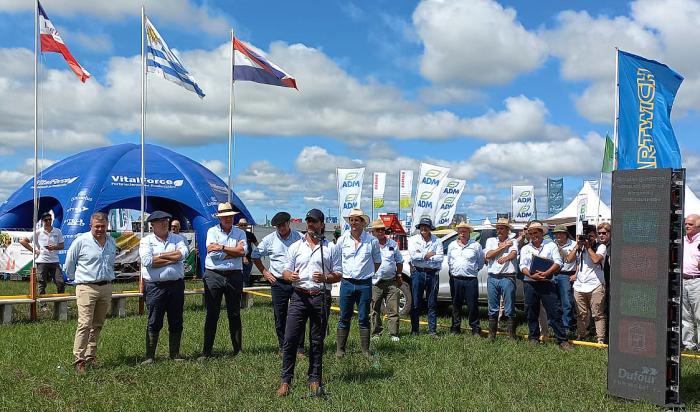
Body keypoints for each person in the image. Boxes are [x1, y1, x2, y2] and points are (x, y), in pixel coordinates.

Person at [276, 208, 341, 397]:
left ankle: (314, 379)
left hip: (320, 297)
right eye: (308, 221)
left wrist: (326, 278)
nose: (310, 224)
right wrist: (290, 276)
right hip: (299, 296)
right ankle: (286, 380)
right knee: (290, 339)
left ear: (321, 224)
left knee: (317, 341)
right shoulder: (296, 246)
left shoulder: (330, 248)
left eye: (314, 221)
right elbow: (285, 272)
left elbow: (338, 274)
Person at [64, 212, 117, 374]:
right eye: (97, 226)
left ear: (107, 226)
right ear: (90, 226)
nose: (100, 229)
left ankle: (90, 356)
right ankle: (79, 360)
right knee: (85, 324)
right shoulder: (81, 241)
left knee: (98, 324)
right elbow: (69, 264)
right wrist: (78, 280)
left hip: (106, 287)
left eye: (103, 226)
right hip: (86, 287)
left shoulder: (111, 242)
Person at [251, 211, 306, 356]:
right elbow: (255, 255)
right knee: (280, 315)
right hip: (278, 282)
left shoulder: (300, 237)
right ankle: (283, 347)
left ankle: (300, 348)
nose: (281, 228)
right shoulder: (269, 240)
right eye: (278, 226)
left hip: (296, 282)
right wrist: (264, 272)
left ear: (289, 223)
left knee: (299, 315)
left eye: (283, 225)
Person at [139, 211, 189, 365]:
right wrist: (173, 257)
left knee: (176, 320)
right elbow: (148, 261)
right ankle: (150, 356)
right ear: (152, 225)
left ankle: (174, 354)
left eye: (166, 220)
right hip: (155, 287)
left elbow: (184, 254)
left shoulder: (178, 238)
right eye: (160, 221)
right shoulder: (146, 241)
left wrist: (160, 256)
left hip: (176, 285)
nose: (164, 223)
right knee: (154, 320)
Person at [200, 202, 247, 359]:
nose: (228, 219)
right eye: (225, 217)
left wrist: (221, 248)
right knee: (212, 314)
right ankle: (206, 351)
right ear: (220, 218)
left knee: (234, 313)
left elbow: (243, 251)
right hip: (214, 275)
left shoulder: (240, 232)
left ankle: (238, 350)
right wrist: (234, 252)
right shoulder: (211, 231)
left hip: (234, 275)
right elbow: (212, 254)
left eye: (230, 217)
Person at [519, 221, 573, 351]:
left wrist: (547, 273)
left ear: (541, 233)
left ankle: (562, 340)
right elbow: (522, 266)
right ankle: (534, 338)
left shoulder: (551, 245)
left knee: (554, 312)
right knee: (531, 312)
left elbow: (558, 262)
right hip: (530, 283)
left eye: (536, 232)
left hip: (547, 283)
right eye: (531, 233)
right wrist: (532, 276)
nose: (533, 235)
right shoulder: (525, 248)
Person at [336, 208, 381, 358]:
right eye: (351, 220)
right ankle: (340, 350)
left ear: (362, 222)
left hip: (364, 284)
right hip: (347, 283)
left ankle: (365, 350)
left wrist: (366, 274)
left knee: (364, 317)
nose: (354, 223)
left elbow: (377, 262)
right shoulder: (342, 240)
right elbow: (337, 260)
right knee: (344, 316)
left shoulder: (372, 241)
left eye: (357, 220)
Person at [570, 225, 607, 344]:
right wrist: (577, 245)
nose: (588, 238)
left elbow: (596, 260)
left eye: (591, 236)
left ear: (595, 236)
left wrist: (588, 246)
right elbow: (569, 259)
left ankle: (600, 339)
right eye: (586, 236)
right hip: (579, 285)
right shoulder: (580, 247)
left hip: (595, 284)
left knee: (597, 314)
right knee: (581, 314)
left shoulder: (600, 246)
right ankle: (582, 335)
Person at [369, 218, 404, 342]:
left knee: (393, 309)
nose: (380, 231)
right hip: (375, 282)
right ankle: (376, 333)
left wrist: (399, 275)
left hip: (391, 281)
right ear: (373, 232)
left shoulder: (392, 244)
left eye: (382, 229)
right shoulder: (370, 244)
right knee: (374, 309)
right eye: (377, 229)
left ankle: (393, 333)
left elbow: (399, 261)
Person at [484, 218, 519, 340]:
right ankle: (491, 335)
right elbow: (488, 255)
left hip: (507, 277)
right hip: (493, 277)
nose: (499, 230)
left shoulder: (513, 241)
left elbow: (513, 254)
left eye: (502, 228)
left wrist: (506, 258)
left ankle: (512, 336)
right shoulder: (490, 240)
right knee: (492, 307)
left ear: (508, 230)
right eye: (498, 228)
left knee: (509, 307)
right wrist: (503, 247)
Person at [408, 216, 444, 336]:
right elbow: (413, 256)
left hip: (432, 274)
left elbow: (440, 258)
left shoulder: (437, 241)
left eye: (426, 226)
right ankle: (415, 330)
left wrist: (423, 255)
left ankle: (432, 331)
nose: (424, 228)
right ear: (419, 228)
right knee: (415, 302)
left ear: (430, 228)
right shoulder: (413, 240)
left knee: (432, 302)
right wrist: (428, 255)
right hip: (417, 272)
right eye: (422, 226)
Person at [447, 221, 484, 336]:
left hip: (470, 280)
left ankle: (475, 329)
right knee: (456, 304)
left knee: (473, 305)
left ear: (469, 233)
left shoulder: (476, 246)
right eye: (460, 231)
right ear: (458, 232)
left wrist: (472, 271)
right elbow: (449, 261)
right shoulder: (452, 245)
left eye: (465, 231)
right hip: (455, 279)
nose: (462, 233)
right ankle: (455, 328)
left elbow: (480, 263)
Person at [20, 212, 65, 300]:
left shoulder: (57, 231)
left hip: (54, 261)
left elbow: (62, 246)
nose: (48, 221)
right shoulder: (38, 232)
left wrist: (54, 247)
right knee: (42, 282)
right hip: (41, 261)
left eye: (50, 219)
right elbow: (23, 241)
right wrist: (34, 251)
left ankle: (61, 302)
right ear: (42, 221)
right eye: (46, 220)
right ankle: (42, 304)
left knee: (60, 282)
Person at [553, 224, 577, 334]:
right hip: (553, 274)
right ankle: (556, 325)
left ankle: (567, 326)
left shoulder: (574, 244)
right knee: (555, 302)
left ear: (565, 234)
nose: (558, 235)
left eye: (560, 233)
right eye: (556, 233)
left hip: (567, 275)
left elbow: (578, 261)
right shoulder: (552, 245)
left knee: (567, 302)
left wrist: (576, 274)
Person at [682, 215, 700, 350]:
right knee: (684, 315)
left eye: (690, 224)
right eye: (686, 224)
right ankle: (689, 344)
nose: (687, 226)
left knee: (699, 315)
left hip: (697, 280)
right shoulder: (681, 241)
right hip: (682, 280)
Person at [237, 218, 258, 289]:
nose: (243, 226)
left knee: (246, 278)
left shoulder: (250, 235)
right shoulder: (235, 235)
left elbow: (258, 245)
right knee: (238, 278)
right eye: (241, 225)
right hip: (237, 259)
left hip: (249, 260)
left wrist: (256, 255)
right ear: (238, 225)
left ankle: (246, 297)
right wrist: (243, 257)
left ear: (247, 225)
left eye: (244, 225)